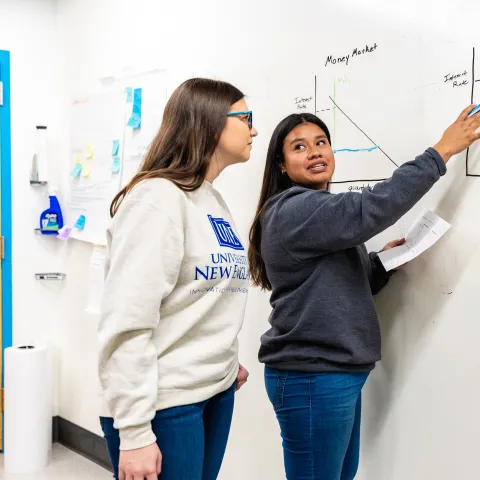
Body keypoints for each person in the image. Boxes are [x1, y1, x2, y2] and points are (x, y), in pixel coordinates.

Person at [248, 106, 480, 480]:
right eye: (300, 147)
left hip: (333, 372)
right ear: (281, 165)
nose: (315, 152)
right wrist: (442, 151)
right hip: (312, 375)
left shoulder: (315, 214)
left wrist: (383, 261)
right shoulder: (296, 209)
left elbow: (339, 284)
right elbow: (371, 207)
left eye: (321, 142)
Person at [98, 78, 258, 480]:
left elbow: (205, 294)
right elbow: (126, 322)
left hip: (214, 390)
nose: (254, 130)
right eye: (246, 118)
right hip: (163, 402)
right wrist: (134, 433)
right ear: (211, 122)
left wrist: (222, 358)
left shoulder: (210, 198)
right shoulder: (158, 198)